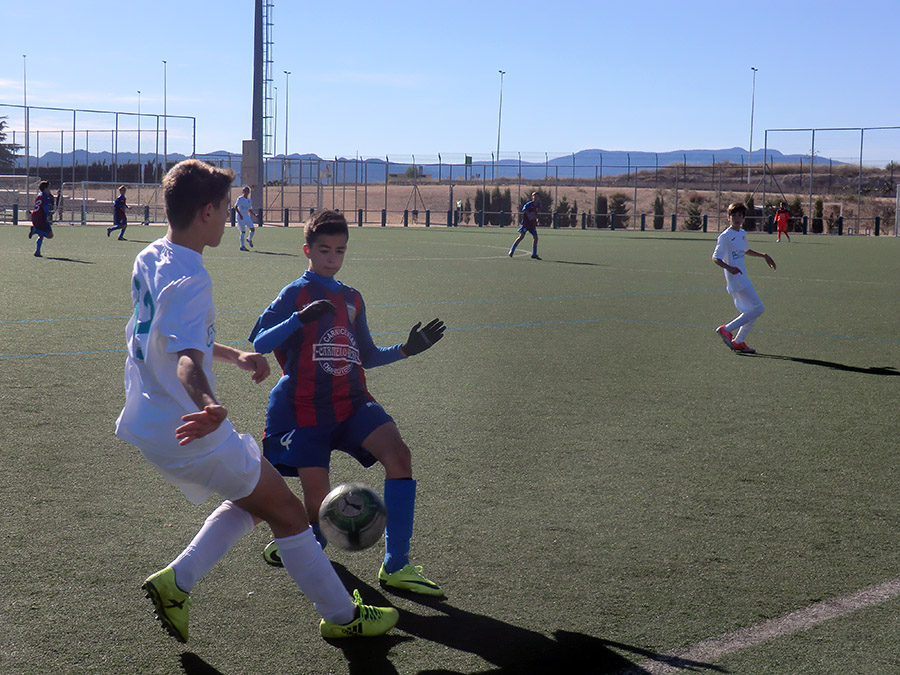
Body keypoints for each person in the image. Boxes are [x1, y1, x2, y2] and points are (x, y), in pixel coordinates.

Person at [114, 160, 398, 644]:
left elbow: (166, 338)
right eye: (226, 208)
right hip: (190, 427)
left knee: (252, 499)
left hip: (147, 419)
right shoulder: (192, 278)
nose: (229, 217)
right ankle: (344, 618)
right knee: (288, 515)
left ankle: (176, 582)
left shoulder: (152, 256)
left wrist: (234, 355)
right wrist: (207, 403)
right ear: (206, 211)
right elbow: (185, 361)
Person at [248, 209, 447, 597]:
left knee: (399, 456)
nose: (332, 259)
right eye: (324, 250)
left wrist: (406, 350)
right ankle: (304, 541)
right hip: (306, 407)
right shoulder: (295, 293)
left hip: (353, 400)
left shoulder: (352, 297)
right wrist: (298, 320)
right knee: (318, 513)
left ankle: (396, 565)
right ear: (307, 250)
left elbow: (367, 355)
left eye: (340, 251)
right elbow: (259, 343)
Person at [712, 202, 777, 354]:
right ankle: (726, 330)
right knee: (758, 308)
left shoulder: (741, 233)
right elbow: (715, 258)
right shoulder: (725, 237)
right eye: (733, 216)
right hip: (736, 278)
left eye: (739, 216)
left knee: (751, 312)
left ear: (743, 218)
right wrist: (729, 268)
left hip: (742, 276)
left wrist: (763, 255)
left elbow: (745, 250)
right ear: (728, 217)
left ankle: (739, 342)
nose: (736, 218)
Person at [508, 191, 541, 259]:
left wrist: (536, 219)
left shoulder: (538, 206)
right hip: (526, 224)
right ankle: (512, 250)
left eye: (537, 197)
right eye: (534, 196)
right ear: (532, 197)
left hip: (532, 224)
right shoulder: (529, 204)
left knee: (536, 238)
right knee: (521, 237)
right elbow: (524, 209)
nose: (535, 198)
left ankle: (534, 254)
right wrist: (528, 213)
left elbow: (536, 214)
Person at [29, 180, 55, 258]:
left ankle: (37, 251)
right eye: (48, 188)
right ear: (45, 189)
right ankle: (35, 230)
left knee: (41, 235)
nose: (49, 190)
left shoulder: (38, 195)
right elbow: (44, 207)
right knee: (50, 235)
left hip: (35, 216)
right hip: (41, 217)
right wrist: (48, 214)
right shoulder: (45, 196)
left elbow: (39, 207)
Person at [234, 186, 257, 251]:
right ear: (243, 192)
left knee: (252, 229)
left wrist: (254, 214)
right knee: (243, 231)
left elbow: (249, 209)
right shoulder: (240, 199)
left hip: (246, 216)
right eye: (245, 191)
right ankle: (242, 246)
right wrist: (240, 215)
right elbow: (235, 207)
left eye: (247, 191)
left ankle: (249, 239)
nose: (246, 192)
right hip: (240, 217)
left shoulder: (249, 200)